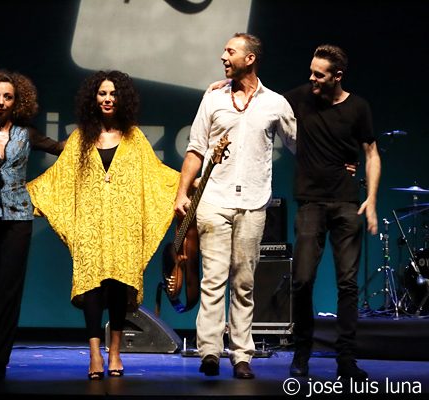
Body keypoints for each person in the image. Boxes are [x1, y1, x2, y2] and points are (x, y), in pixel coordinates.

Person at [27, 70, 179, 380]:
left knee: (119, 288)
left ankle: (115, 352)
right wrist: (23, 195)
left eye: (113, 94)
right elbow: (58, 179)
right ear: (93, 99)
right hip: (90, 225)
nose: (108, 99)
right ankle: (95, 353)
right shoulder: (80, 139)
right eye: (102, 93)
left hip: (124, 226)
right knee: (92, 287)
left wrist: (189, 185)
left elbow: (157, 176)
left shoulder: (134, 138)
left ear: (122, 99)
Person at [174, 33, 297, 379]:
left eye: (230, 51)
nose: (223, 56)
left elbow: (299, 144)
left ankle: (242, 355)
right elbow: (195, 149)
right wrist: (182, 193)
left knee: (244, 282)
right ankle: (210, 351)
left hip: (253, 203)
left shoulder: (275, 103)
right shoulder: (213, 98)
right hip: (214, 199)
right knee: (213, 279)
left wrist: (334, 162)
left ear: (250, 58)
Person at [284, 44, 380, 380]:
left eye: (319, 74)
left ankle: (346, 360)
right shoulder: (301, 97)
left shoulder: (358, 107)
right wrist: (226, 86)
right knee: (302, 280)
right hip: (310, 202)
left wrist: (372, 200)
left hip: (346, 203)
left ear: (337, 76)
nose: (312, 78)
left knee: (348, 283)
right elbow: (261, 99)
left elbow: (371, 153)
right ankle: (302, 353)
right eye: (311, 72)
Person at [0, 69, 64, 381]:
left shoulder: (27, 134)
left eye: (7, 97)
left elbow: (61, 149)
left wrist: (92, 135)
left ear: (16, 102)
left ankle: (0, 359)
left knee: (9, 289)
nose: (1, 102)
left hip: (17, 217)